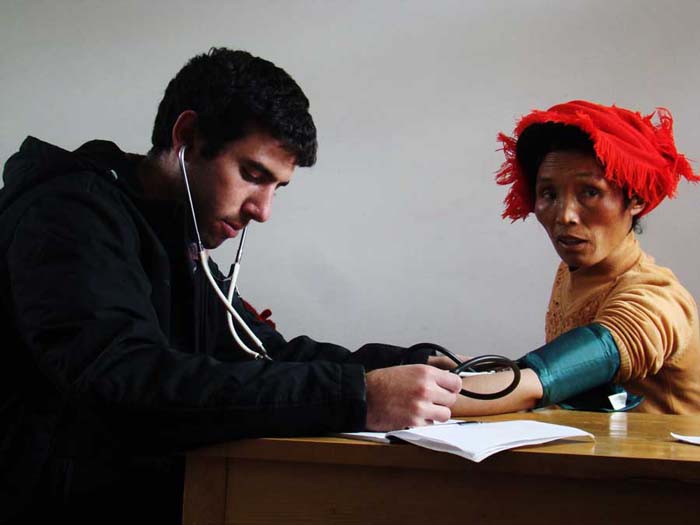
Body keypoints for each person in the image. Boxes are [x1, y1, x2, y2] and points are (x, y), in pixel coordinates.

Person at [0, 48, 462, 524]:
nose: (263, 210)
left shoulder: (179, 232)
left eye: (277, 187)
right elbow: (128, 384)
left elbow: (261, 353)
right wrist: (358, 397)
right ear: (187, 138)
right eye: (253, 175)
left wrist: (409, 364)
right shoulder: (68, 217)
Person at [452, 100, 700, 418]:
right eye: (549, 194)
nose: (565, 216)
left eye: (589, 192)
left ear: (635, 198)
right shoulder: (574, 271)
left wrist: (373, 400)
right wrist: (453, 367)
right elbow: (557, 376)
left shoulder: (654, 300)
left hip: (661, 467)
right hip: (593, 461)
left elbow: (543, 381)